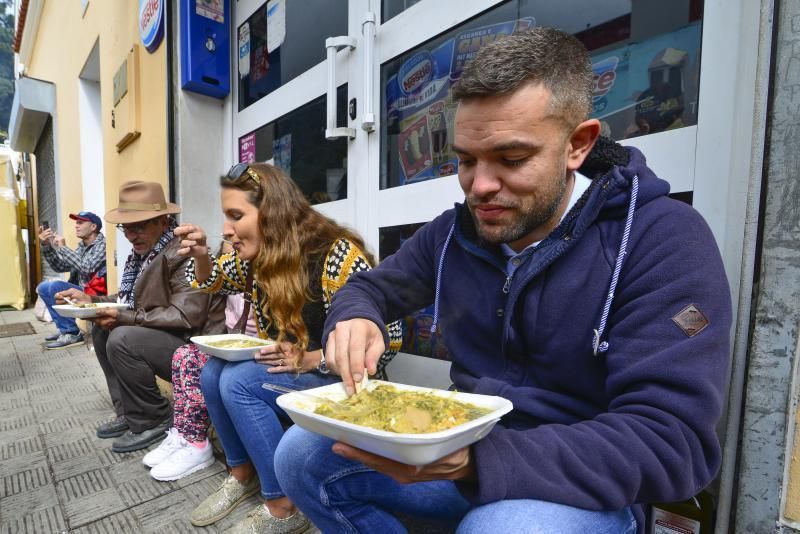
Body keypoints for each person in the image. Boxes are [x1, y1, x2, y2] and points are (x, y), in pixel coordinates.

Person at [273, 28, 732, 534]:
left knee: (504, 527)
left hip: (584, 486)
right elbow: (371, 288)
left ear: (578, 145)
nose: (481, 187)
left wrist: (480, 460)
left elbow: (673, 445)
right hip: (464, 449)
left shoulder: (661, 239)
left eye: (512, 160)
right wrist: (355, 315)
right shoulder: (454, 234)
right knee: (300, 455)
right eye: (466, 160)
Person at [175, 163, 402, 533]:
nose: (226, 230)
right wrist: (201, 253)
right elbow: (212, 281)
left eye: (236, 216)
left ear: (273, 214)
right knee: (213, 370)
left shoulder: (335, 254)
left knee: (239, 382)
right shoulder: (256, 257)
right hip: (295, 372)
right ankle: (241, 472)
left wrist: (315, 357)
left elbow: (389, 337)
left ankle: (283, 505)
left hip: (350, 383)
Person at [56, 180, 226, 453]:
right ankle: (128, 411)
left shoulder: (182, 252)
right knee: (102, 326)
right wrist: (93, 301)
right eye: (126, 228)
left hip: (194, 348)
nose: (132, 235)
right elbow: (131, 301)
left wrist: (124, 318)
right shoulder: (145, 253)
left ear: (162, 221)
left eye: (140, 226)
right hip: (170, 337)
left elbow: (186, 316)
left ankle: (153, 417)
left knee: (122, 336)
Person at [143, 243, 259, 482]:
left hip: (260, 350)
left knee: (207, 368)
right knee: (185, 356)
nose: (231, 256)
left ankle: (195, 444)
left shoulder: (263, 275)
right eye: (226, 253)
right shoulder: (222, 282)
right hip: (230, 344)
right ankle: (186, 436)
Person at [37, 211, 106, 349]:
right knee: (44, 287)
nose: (76, 226)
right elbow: (59, 266)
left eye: (80, 222)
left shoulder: (102, 245)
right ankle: (64, 329)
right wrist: (46, 246)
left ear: (93, 227)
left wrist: (63, 247)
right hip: (81, 291)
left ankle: (71, 333)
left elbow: (87, 267)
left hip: (97, 295)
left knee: (56, 285)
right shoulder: (82, 247)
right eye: (76, 223)